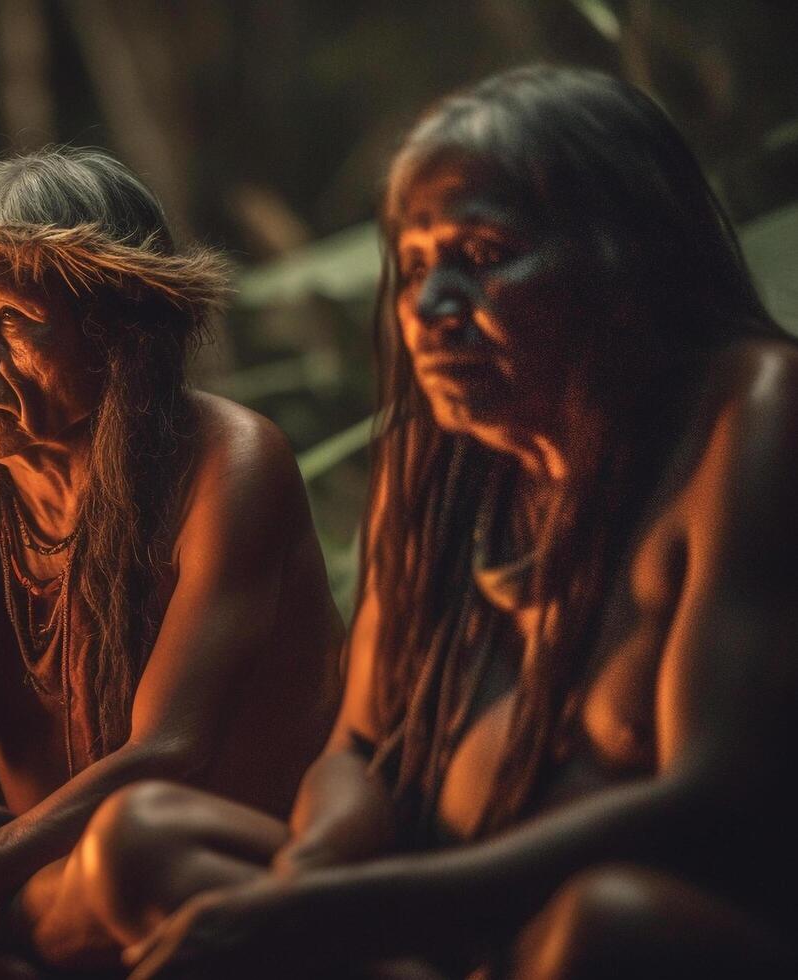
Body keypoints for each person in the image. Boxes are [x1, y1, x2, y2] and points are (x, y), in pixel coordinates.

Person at [84, 65, 798, 979]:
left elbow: (713, 801)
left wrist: (353, 913)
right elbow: (360, 746)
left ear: (622, 258)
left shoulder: (751, 412)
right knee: (142, 840)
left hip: (632, 930)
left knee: (604, 926)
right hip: (434, 929)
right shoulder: (439, 462)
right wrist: (304, 884)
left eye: (484, 255)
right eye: (415, 267)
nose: (429, 310)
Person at [0, 147, 343, 978]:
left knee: (132, 850)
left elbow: (168, 751)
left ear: (120, 337)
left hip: (194, 869)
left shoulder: (228, 462)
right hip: (10, 868)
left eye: (11, 321)